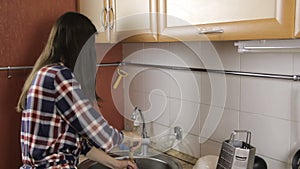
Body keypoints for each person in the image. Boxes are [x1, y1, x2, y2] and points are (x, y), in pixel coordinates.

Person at [17, 12, 141, 169]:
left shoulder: (45, 72)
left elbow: (78, 144)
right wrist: (127, 137)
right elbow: (101, 135)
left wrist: (116, 164)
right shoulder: (60, 77)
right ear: (81, 47)